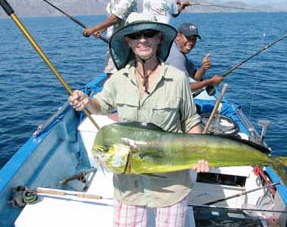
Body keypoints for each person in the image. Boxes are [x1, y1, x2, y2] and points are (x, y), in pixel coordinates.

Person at [69, 12, 209, 226]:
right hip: (129, 184)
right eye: (135, 35)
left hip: (170, 185)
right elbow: (101, 105)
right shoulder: (118, 79)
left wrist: (201, 153)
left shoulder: (178, 79)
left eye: (149, 33)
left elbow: (191, 121)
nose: (142, 39)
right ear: (128, 41)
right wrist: (87, 101)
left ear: (159, 38)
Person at [83, 0, 137, 75]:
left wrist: (93, 29)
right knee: (113, 72)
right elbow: (113, 19)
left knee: (112, 74)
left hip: (123, 43)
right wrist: (102, 30)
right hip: (116, 43)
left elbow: (115, 18)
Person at [166, 23, 224, 93]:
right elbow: (184, 88)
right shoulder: (176, 57)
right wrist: (210, 82)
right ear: (178, 36)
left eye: (193, 39)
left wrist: (203, 67)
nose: (191, 42)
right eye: (188, 38)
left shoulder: (177, 48)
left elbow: (195, 76)